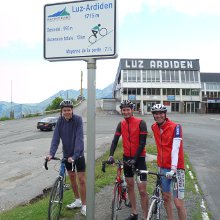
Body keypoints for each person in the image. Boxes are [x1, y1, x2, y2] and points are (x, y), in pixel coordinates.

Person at [108, 100, 148, 220]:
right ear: (122, 111)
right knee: (130, 186)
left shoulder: (141, 122)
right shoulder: (121, 124)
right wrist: (111, 155)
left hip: (139, 159)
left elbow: (142, 143)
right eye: (124, 110)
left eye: (128, 109)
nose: (126, 112)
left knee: (142, 190)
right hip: (127, 158)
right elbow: (115, 141)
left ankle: (146, 217)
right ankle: (134, 213)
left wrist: (135, 159)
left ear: (132, 110)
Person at [46, 99, 86, 216]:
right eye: (65, 110)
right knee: (72, 177)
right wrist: (51, 154)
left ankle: (84, 205)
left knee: (82, 180)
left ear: (72, 110)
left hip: (78, 155)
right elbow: (55, 139)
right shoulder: (60, 121)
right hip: (66, 155)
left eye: (69, 110)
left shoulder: (78, 120)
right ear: (61, 111)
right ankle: (77, 200)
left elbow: (79, 139)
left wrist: (75, 155)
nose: (67, 112)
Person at [151, 104, 187, 220]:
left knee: (178, 203)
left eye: (161, 113)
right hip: (162, 167)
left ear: (165, 114)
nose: (158, 115)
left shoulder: (176, 127)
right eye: (156, 113)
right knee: (166, 197)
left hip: (177, 169)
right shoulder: (154, 127)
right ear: (153, 115)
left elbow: (175, 149)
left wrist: (173, 169)